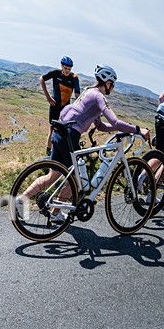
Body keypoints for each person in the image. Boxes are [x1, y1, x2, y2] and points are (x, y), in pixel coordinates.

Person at [17, 65, 150, 221]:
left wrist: (118, 130)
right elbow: (114, 121)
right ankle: (55, 213)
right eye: (112, 84)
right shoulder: (99, 96)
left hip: (60, 132)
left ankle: (20, 200)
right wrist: (137, 129)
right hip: (70, 136)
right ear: (107, 83)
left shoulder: (88, 92)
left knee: (53, 175)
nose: (112, 88)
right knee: (75, 179)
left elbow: (100, 126)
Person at [41, 56, 81, 156]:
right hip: (54, 105)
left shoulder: (74, 78)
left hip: (65, 108)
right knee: (52, 129)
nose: (67, 71)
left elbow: (77, 95)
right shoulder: (56, 73)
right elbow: (42, 78)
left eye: (69, 69)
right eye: (65, 68)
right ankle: (48, 151)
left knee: (65, 130)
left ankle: (62, 151)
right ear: (61, 66)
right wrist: (48, 97)